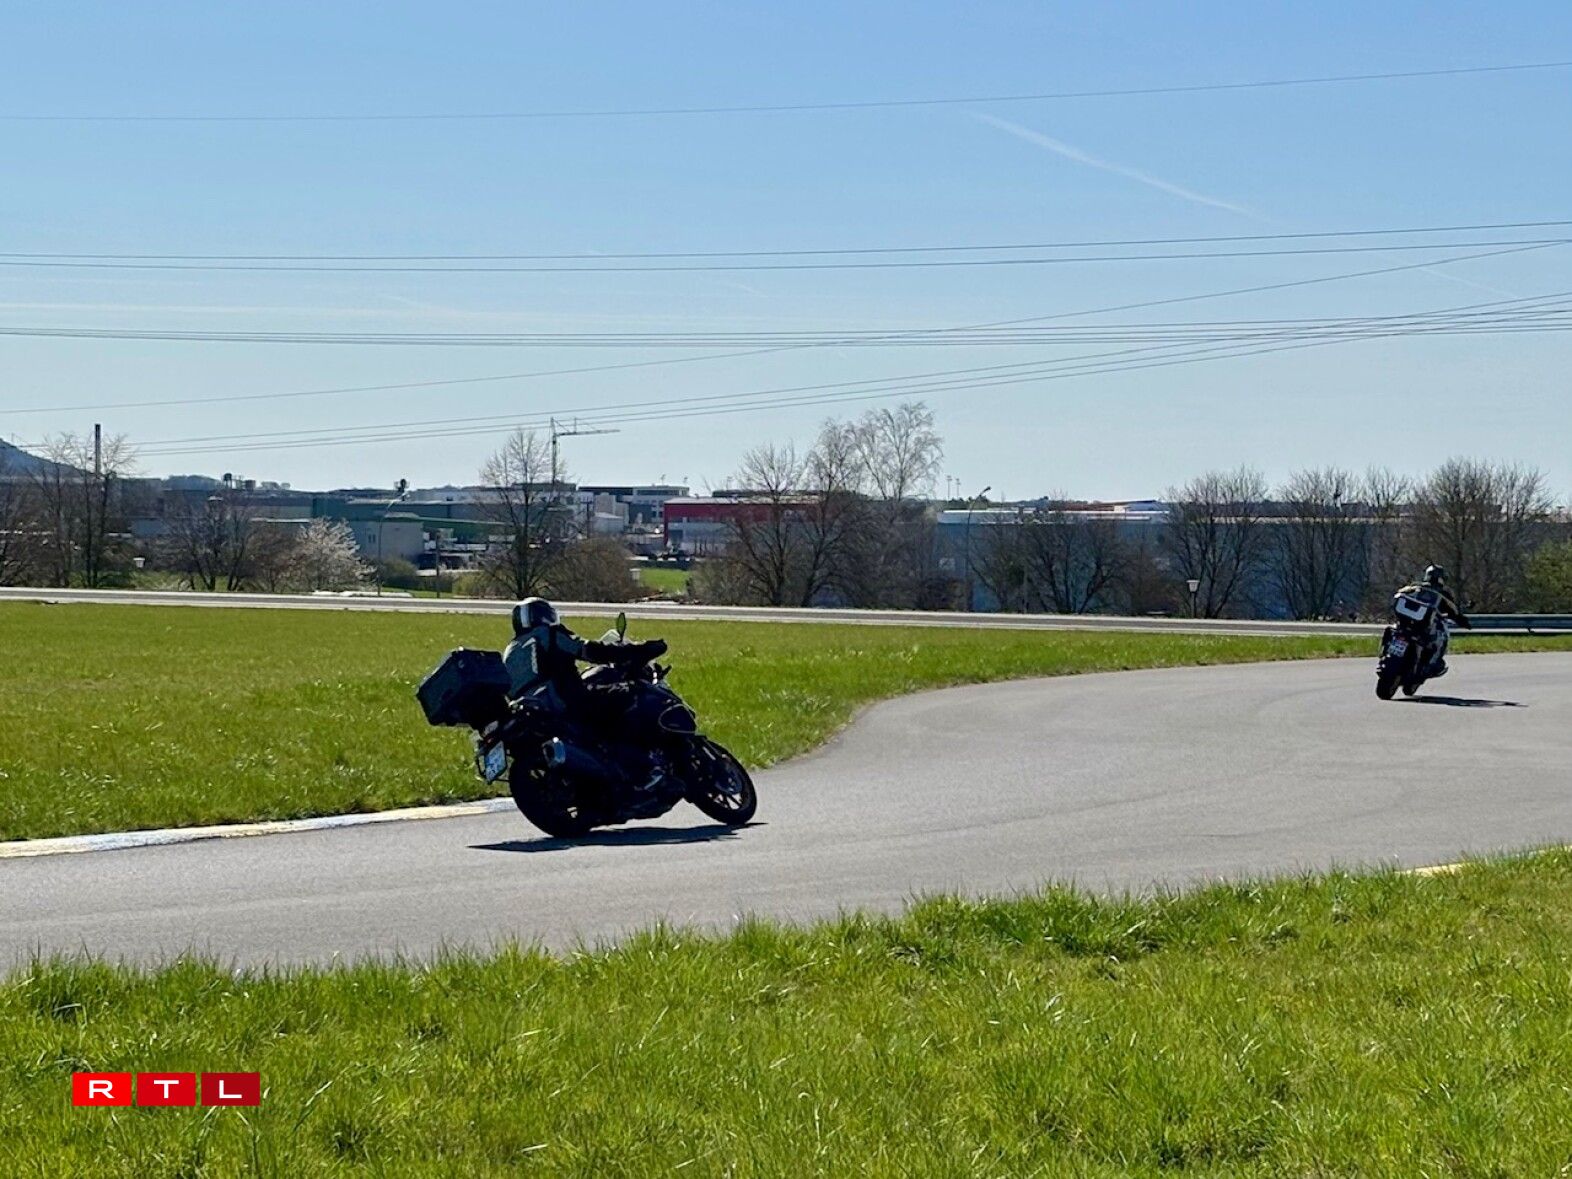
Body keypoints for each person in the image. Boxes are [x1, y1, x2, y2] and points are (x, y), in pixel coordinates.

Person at [503, 597, 667, 727]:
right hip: (567, 703)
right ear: (541, 617)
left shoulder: (511, 650)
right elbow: (590, 650)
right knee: (635, 693)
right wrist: (640, 650)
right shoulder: (548, 634)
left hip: (532, 714)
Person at [1394, 565, 1471, 676]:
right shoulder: (1443, 593)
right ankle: (1432, 664)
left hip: (1408, 623)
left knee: (1395, 630)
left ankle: (1422, 662)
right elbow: (1453, 610)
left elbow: (1398, 595)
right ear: (1441, 578)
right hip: (1423, 626)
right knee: (1441, 638)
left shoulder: (1415, 587)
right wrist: (1462, 620)